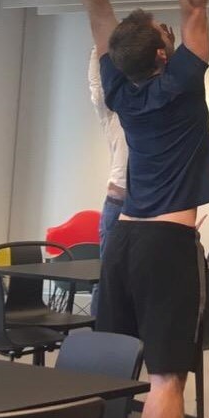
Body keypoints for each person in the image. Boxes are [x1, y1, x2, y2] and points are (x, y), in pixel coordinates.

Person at [58, 0, 209, 418]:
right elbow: (195, 5)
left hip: (122, 242)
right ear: (161, 56)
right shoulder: (180, 84)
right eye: (163, 31)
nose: (170, 29)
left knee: (112, 372)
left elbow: (98, 15)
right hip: (166, 245)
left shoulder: (121, 90)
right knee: (166, 379)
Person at [88, 45, 128, 316]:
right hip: (117, 202)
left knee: (134, 277)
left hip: (144, 206)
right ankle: (98, 331)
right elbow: (97, 89)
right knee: (108, 276)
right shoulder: (112, 116)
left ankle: (126, 333)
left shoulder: (149, 112)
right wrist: (98, 47)